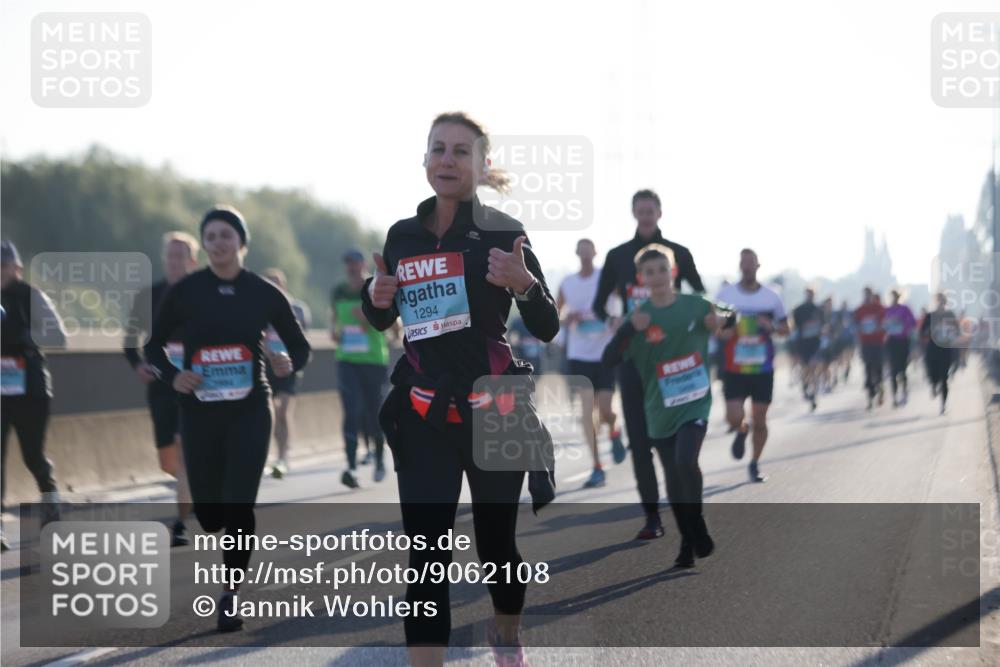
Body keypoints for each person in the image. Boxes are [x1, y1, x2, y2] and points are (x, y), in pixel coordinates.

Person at [362, 112, 559, 667]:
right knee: (426, 558)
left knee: (497, 549)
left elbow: (547, 325)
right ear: (424, 160)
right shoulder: (403, 235)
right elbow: (383, 319)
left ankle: (506, 632)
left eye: (460, 152)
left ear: (481, 164)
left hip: (494, 409)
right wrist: (375, 297)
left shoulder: (504, 232)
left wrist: (525, 285)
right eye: (438, 150)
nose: (447, 160)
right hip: (424, 412)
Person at [144, 206, 311, 632]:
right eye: (211, 236)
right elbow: (153, 348)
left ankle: (230, 594)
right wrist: (173, 375)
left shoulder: (264, 293)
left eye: (226, 235)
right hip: (200, 413)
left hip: (250, 411)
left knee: (239, 506)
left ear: (242, 243)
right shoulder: (185, 292)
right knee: (211, 515)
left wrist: (286, 362)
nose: (219, 243)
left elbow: (300, 347)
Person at [592, 189, 705, 540]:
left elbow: (700, 296)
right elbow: (599, 304)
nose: (645, 215)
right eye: (639, 210)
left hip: (673, 363)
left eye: (650, 210)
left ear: (659, 212)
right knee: (640, 441)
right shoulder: (617, 256)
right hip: (634, 359)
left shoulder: (679, 253)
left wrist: (698, 328)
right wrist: (617, 325)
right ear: (633, 213)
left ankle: (684, 504)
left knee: (671, 441)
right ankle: (652, 516)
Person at [602, 245, 717, 568]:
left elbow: (728, 314)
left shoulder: (696, 305)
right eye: (650, 272)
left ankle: (697, 524)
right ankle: (686, 540)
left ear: (673, 271)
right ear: (641, 278)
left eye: (662, 270)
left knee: (685, 460)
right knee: (673, 478)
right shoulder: (638, 318)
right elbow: (609, 359)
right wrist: (627, 329)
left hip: (694, 403)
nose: (657, 277)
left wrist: (722, 320)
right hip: (658, 410)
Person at [123, 232, 199, 546]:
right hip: (159, 384)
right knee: (168, 462)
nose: (174, 261)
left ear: (192, 261)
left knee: (182, 455)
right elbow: (130, 340)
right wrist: (138, 365)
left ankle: (180, 524)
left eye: (180, 256)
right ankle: (195, 488)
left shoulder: (202, 294)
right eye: (170, 255)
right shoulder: (148, 296)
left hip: (195, 384)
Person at [1, 240, 66, 551]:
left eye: (4, 265)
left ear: (17, 268)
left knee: (32, 456)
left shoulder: (31, 296)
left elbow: (59, 335)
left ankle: (50, 495)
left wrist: (26, 336)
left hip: (31, 389)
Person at [716, 249, 789, 483]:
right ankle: (741, 428)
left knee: (761, 419)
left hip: (762, 368)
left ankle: (755, 463)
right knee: (732, 416)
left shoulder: (771, 297)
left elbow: (786, 330)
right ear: (739, 266)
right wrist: (729, 331)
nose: (747, 267)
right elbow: (716, 330)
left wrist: (771, 326)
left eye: (751, 263)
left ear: (758, 266)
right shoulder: (725, 295)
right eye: (743, 263)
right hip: (734, 367)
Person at [557, 238, 624, 489]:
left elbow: (624, 301)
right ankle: (597, 466)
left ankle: (615, 430)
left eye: (589, 249)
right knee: (587, 413)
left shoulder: (606, 278)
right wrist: (566, 317)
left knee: (605, 410)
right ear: (576, 253)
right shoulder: (568, 283)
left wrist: (619, 320)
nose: (585, 254)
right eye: (581, 250)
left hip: (605, 352)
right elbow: (555, 312)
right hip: (579, 354)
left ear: (595, 252)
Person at [331, 249, 391, 486]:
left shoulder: (373, 286)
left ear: (363, 264)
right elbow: (334, 320)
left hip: (374, 360)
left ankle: (378, 459)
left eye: (355, 263)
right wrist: (335, 332)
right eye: (347, 263)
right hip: (347, 358)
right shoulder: (339, 291)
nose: (351, 267)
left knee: (373, 413)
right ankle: (351, 466)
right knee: (351, 410)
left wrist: (368, 318)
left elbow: (391, 325)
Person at [262, 268, 312, 479]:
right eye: (269, 284)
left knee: (282, 410)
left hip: (289, 364)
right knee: (272, 411)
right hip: (266, 364)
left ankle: (283, 456)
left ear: (283, 286)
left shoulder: (297, 309)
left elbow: (303, 339)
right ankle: (276, 453)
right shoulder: (258, 309)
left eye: (276, 284)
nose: (273, 288)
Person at [921, 292, 958, 415]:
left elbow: (957, 331)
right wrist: (930, 332)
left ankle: (943, 406)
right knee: (933, 374)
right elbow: (922, 332)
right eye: (939, 300)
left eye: (943, 300)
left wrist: (951, 334)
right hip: (932, 350)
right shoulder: (930, 315)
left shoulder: (950, 315)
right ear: (936, 301)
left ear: (946, 302)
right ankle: (933, 384)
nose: (941, 302)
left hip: (946, 350)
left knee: (944, 378)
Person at [791, 287, 824, 411]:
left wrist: (822, 330)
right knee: (806, 369)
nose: (810, 296)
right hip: (803, 343)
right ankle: (805, 385)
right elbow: (794, 325)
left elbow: (824, 324)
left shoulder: (818, 309)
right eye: (808, 294)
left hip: (815, 343)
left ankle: (814, 396)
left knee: (814, 368)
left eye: (812, 294)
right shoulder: (799, 309)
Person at [853, 287, 886, 410]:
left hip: (878, 342)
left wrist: (880, 328)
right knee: (867, 368)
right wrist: (859, 329)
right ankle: (870, 396)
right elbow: (855, 325)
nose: (867, 296)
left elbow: (886, 323)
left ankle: (880, 387)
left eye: (869, 294)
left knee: (878, 368)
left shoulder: (880, 308)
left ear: (872, 295)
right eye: (865, 294)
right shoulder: (860, 310)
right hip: (865, 343)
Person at [883, 289, 916, 407]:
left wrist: (903, 323)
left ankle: (905, 392)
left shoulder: (905, 309)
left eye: (896, 296)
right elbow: (882, 324)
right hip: (891, 342)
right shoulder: (887, 310)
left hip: (903, 341)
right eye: (892, 296)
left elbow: (913, 323)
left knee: (902, 370)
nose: (894, 298)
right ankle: (894, 396)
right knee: (893, 371)